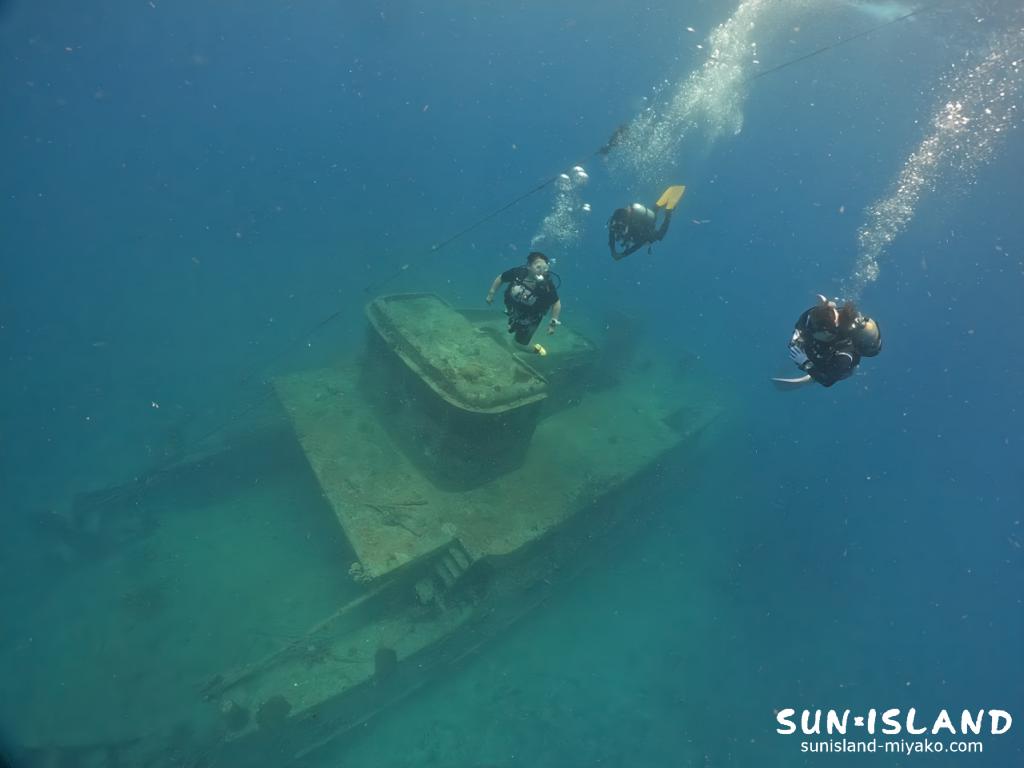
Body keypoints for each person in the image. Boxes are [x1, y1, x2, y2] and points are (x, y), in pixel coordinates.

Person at [779, 294, 882, 388]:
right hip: (828, 343)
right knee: (810, 341)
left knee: (829, 369)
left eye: (814, 330)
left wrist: (806, 363)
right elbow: (806, 318)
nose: (811, 330)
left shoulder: (845, 355)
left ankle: (812, 378)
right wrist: (797, 333)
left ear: (827, 334)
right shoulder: (827, 315)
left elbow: (828, 381)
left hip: (837, 367)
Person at [486, 251, 562, 347]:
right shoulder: (518, 273)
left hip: (531, 317)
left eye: (545, 268)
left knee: (520, 343)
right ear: (529, 266)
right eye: (538, 267)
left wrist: (553, 323)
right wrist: (491, 293)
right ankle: (513, 323)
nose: (541, 271)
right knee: (512, 327)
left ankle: (534, 349)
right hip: (513, 307)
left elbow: (556, 303)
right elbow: (501, 278)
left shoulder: (546, 285)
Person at [608, 184, 685, 260]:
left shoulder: (632, 228)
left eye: (619, 228)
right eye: (616, 228)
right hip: (641, 220)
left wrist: (623, 254)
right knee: (652, 215)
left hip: (644, 229)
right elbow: (611, 235)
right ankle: (657, 207)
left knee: (659, 236)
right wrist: (613, 251)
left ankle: (668, 211)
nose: (617, 230)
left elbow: (639, 244)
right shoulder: (614, 223)